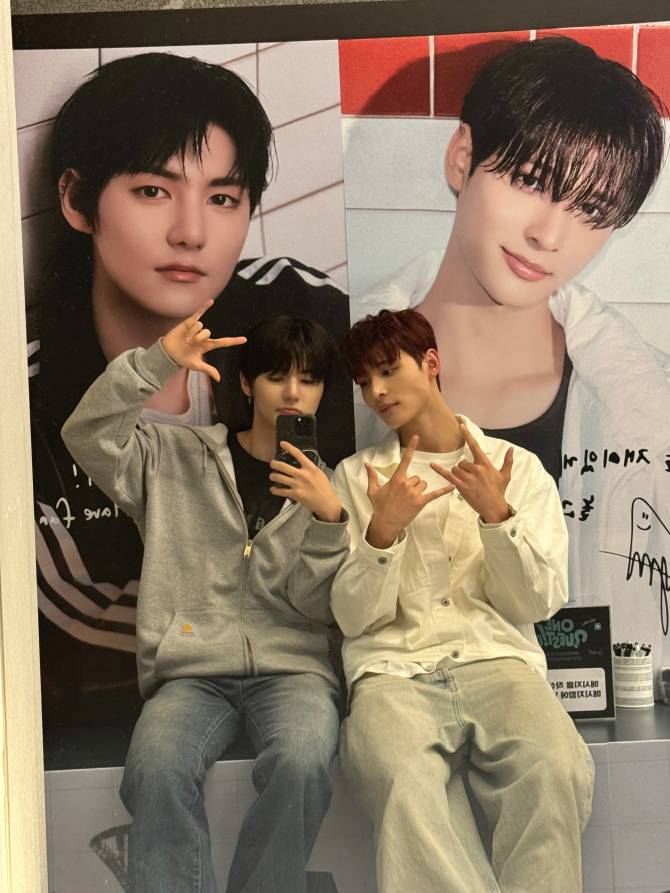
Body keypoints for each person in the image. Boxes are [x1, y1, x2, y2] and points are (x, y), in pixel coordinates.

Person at [29, 51, 352, 746]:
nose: (192, 233)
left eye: (222, 199)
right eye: (153, 191)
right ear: (77, 201)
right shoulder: (29, 389)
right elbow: (72, 608)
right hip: (136, 711)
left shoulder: (308, 313)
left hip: (302, 694)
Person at [352, 36, 670, 674]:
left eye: (591, 210)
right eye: (529, 181)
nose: (548, 234)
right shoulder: (326, 367)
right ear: (462, 157)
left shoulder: (644, 403)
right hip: (391, 700)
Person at [61, 307, 349, 892]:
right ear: (246, 383)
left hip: (293, 672)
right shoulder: (177, 456)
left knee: (301, 761)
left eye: (310, 379)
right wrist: (157, 362)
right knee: (156, 768)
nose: (293, 392)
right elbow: (86, 434)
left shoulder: (333, 488)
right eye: (277, 376)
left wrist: (327, 521)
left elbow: (320, 608)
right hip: (191, 671)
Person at [330, 308, 594, 893]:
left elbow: (537, 603)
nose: (375, 393)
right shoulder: (356, 478)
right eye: (364, 381)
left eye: (388, 371)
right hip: (392, 672)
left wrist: (498, 517)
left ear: (431, 363)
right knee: (400, 779)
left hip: (498, 661)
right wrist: (382, 534)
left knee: (556, 769)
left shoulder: (516, 469)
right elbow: (352, 617)